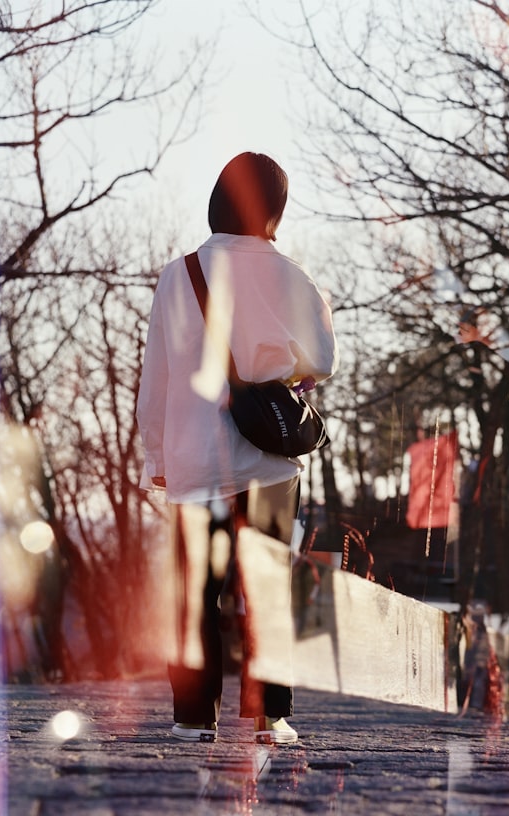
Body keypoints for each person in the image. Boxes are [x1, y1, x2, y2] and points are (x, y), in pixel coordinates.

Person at [136, 152, 339, 744]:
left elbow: (158, 379)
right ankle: (269, 716)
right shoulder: (293, 276)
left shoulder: (181, 274)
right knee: (268, 587)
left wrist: (157, 459)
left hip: (194, 459)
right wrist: (280, 365)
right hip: (269, 464)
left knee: (195, 592)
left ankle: (193, 718)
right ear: (274, 211)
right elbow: (322, 361)